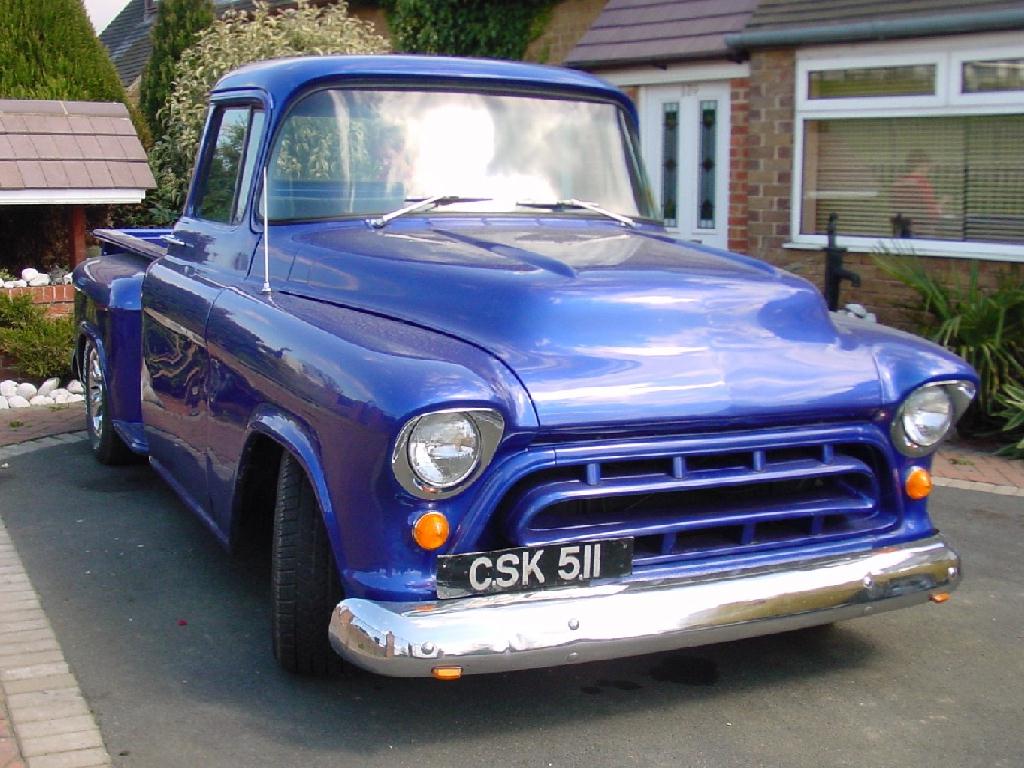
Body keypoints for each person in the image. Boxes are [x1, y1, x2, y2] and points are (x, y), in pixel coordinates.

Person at [890, 150, 949, 238]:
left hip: (903, 231)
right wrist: (942, 203)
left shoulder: (898, 183)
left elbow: (895, 209)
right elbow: (931, 213)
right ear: (921, 165)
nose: (929, 168)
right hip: (921, 231)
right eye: (928, 165)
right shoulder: (922, 183)